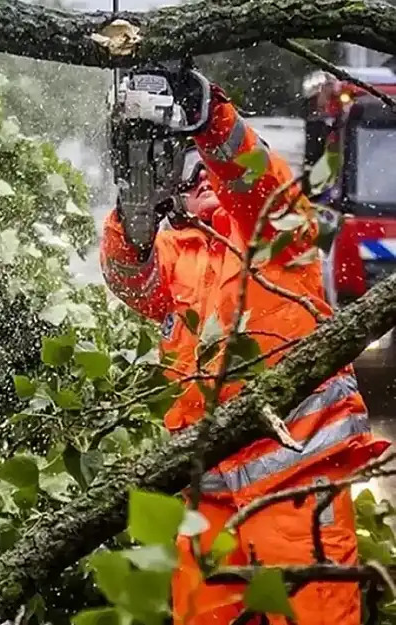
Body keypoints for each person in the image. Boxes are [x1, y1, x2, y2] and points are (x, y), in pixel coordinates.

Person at [101, 67, 391, 625]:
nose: (207, 179)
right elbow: (127, 277)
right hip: (204, 496)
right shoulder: (174, 254)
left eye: (214, 170)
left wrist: (209, 117)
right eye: (193, 174)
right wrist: (132, 220)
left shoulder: (278, 232)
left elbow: (258, 182)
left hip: (296, 486)